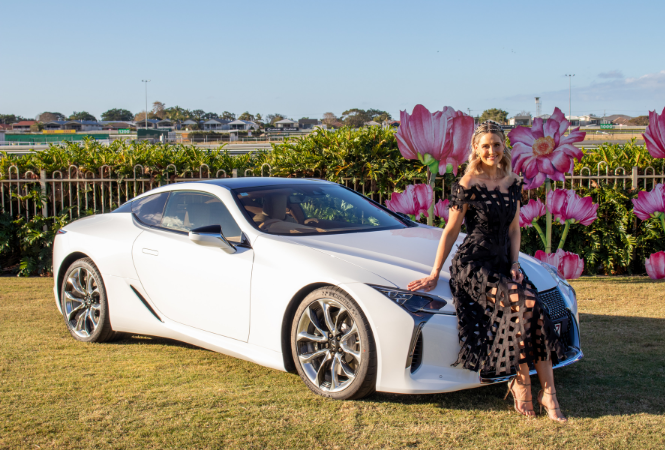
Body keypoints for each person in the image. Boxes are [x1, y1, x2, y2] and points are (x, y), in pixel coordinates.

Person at [407, 121, 568, 422]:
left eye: (496, 144)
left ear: (503, 146)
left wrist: (516, 264)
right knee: (523, 305)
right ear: (476, 150)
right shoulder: (466, 184)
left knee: (536, 312)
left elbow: (514, 229)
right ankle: (524, 385)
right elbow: (451, 232)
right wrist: (434, 272)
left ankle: (548, 393)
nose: (491, 150)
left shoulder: (513, 182)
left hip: (504, 264)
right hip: (474, 264)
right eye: (485, 146)